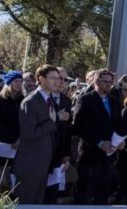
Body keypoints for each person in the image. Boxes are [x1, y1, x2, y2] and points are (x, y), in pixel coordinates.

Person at [72, 68, 125, 205]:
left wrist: (120, 141)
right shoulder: (85, 100)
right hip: (90, 155)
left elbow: (119, 125)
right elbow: (79, 126)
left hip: (108, 157)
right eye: (105, 81)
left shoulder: (114, 102)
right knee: (85, 194)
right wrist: (99, 142)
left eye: (110, 81)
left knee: (102, 194)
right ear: (96, 82)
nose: (108, 84)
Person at [13, 64, 62, 204]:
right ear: (41, 79)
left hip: (43, 165)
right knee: (25, 204)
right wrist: (51, 122)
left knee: (37, 204)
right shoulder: (31, 101)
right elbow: (29, 134)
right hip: (30, 167)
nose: (57, 81)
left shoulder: (48, 99)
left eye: (58, 78)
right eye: (53, 78)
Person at [43, 66, 73, 204]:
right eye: (58, 78)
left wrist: (67, 155)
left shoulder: (66, 100)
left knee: (52, 195)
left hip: (58, 155)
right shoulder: (41, 97)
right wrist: (57, 118)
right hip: (42, 154)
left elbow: (67, 131)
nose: (62, 82)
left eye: (65, 79)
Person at [0, 71, 24, 190]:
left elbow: (24, 123)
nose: (19, 84)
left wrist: (20, 138)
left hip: (18, 144)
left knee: (13, 175)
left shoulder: (23, 100)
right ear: (9, 83)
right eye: (16, 81)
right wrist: (5, 140)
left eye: (21, 81)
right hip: (2, 144)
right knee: (1, 175)